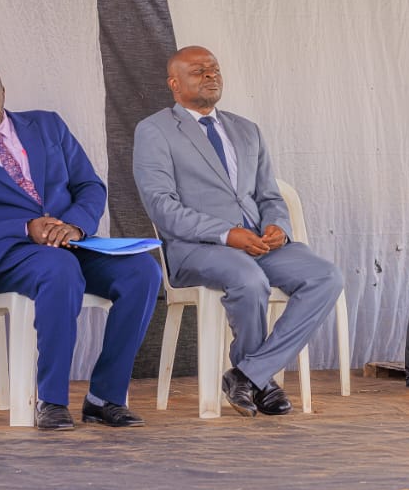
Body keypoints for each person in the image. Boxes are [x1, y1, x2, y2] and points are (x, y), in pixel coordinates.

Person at [0, 61, 160, 431]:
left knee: (142, 271)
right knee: (59, 269)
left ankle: (105, 397)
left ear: (4, 93)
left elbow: (89, 186)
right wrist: (25, 228)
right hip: (11, 258)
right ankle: (51, 400)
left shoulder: (48, 125)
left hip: (73, 245)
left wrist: (74, 226)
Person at [132, 46, 344, 417]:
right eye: (198, 71)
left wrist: (278, 225)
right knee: (248, 279)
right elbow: (162, 207)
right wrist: (226, 234)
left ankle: (248, 375)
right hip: (198, 247)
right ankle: (261, 380)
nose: (211, 75)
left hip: (261, 242)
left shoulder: (246, 130)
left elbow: (268, 195)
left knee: (326, 276)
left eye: (214, 69)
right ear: (174, 84)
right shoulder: (155, 130)